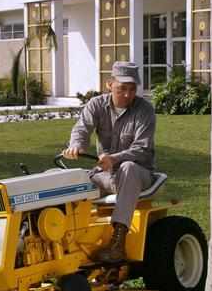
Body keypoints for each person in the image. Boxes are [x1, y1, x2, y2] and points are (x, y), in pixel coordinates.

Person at [63, 61, 156, 264]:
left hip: (139, 173)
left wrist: (114, 158)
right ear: (110, 84)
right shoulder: (96, 105)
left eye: (132, 89)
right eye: (122, 88)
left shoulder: (145, 110)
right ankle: (67, 240)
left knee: (128, 168)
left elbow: (141, 149)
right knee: (71, 182)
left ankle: (118, 244)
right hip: (105, 175)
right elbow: (82, 128)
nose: (127, 95)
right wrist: (76, 145)